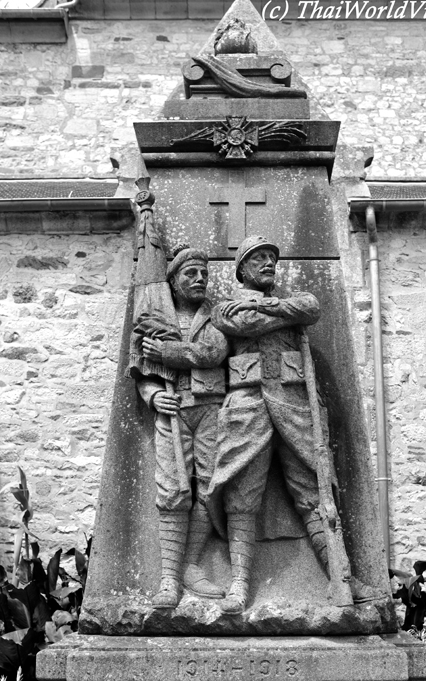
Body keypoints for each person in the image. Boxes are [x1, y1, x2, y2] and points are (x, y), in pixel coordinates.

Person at [207, 235, 342, 615]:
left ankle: (340, 576)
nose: (267, 263)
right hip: (247, 403)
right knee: (241, 493)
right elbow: (238, 321)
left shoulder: (296, 299)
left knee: (314, 489)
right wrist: (282, 312)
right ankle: (239, 584)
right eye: (258, 259)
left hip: (295, 402)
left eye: (271, 258)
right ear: (242, 269)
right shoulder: (227, 306)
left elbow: (310, 308)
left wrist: (275, 310)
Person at [133, 245, 229, 609]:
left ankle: (191, 565)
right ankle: (169, 580)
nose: (200, 279)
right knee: (173, 491)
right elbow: (141, 366)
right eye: (191, 274)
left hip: (211, 409)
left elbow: (213, 353)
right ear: (172, 281)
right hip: (172, 411)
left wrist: (168, 353)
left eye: (203, 273)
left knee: (209, 487)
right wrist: (154, 394)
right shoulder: (155, 319)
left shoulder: (216, 315)